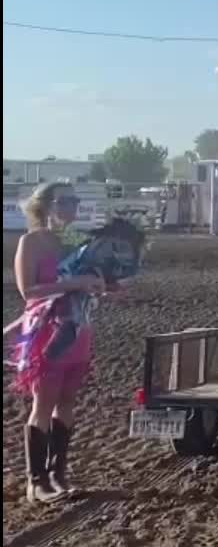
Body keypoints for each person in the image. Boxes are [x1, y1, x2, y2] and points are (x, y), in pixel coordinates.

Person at [12, 183, 112, 502]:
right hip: (46, 331)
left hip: (77, 329)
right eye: (65, 201)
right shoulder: (31, 242)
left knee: (67, 402)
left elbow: (88, 283)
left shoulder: (77, 244)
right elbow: (28, 292)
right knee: (44, 403)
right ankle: (36, 481)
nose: (72, 207)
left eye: (75, 200)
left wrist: (98, 284)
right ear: (46, 206)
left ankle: (58, 476)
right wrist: (74, 283)